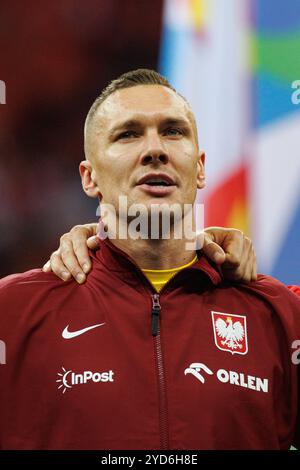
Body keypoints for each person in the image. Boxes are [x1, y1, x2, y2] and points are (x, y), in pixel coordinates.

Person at [0, 69, 299, 450]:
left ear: (201, 167)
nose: (155, 149)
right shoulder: (13, 313)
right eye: (128, 134)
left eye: (173, 131)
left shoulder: (279, 318)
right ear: (89, 178)